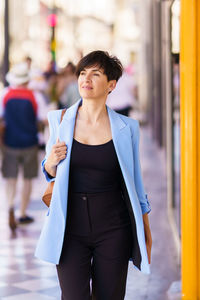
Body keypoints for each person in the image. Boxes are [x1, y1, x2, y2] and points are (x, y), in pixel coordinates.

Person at [35, 50, 152, 300]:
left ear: (111, 85)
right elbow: (49, 170)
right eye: (83, 73)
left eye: (95, 74)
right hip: (69, 226)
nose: (86, 79)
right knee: (74, 296)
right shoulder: (59, 120)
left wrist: (145, 228)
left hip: (113, 226)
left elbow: (135, 183)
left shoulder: (127, 128)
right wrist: (50, 163)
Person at [0, 62, 47, 230]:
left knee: (10, 178)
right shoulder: (35, 97)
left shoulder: (4, 94)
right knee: (27, 178)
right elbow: (43, 119)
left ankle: (11, 205)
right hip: (29, 142)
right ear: (27, 80)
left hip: (10, 143)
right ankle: (22, 213)